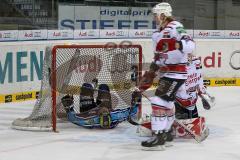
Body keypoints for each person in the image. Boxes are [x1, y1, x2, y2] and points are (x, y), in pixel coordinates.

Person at [137, 2, 195, 149]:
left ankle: (159, 136)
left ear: (163, 15)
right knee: (167, 103)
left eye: (156, 15)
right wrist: (149, 75)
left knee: (158, 100)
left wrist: (178, 45)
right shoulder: (157, 34)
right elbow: (158, 58)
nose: (155, 18)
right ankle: (167, 134)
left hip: (177, 73)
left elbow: (191, 45)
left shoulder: (176, 26)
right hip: (167, 74)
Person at [61, 83, 139, 129]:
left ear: (99, 115)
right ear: (109, 114)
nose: (104, 111)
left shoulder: (90, 119)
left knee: (86, 86)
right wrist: (136, 98)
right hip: (104, 106)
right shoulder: (115, 116)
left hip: (88, 110)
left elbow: (73, 118)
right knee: (104, 87)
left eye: (102, 113)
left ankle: (91, 86)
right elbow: (132, 111)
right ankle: (95, 88)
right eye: (106, 113)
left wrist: (69, 107)